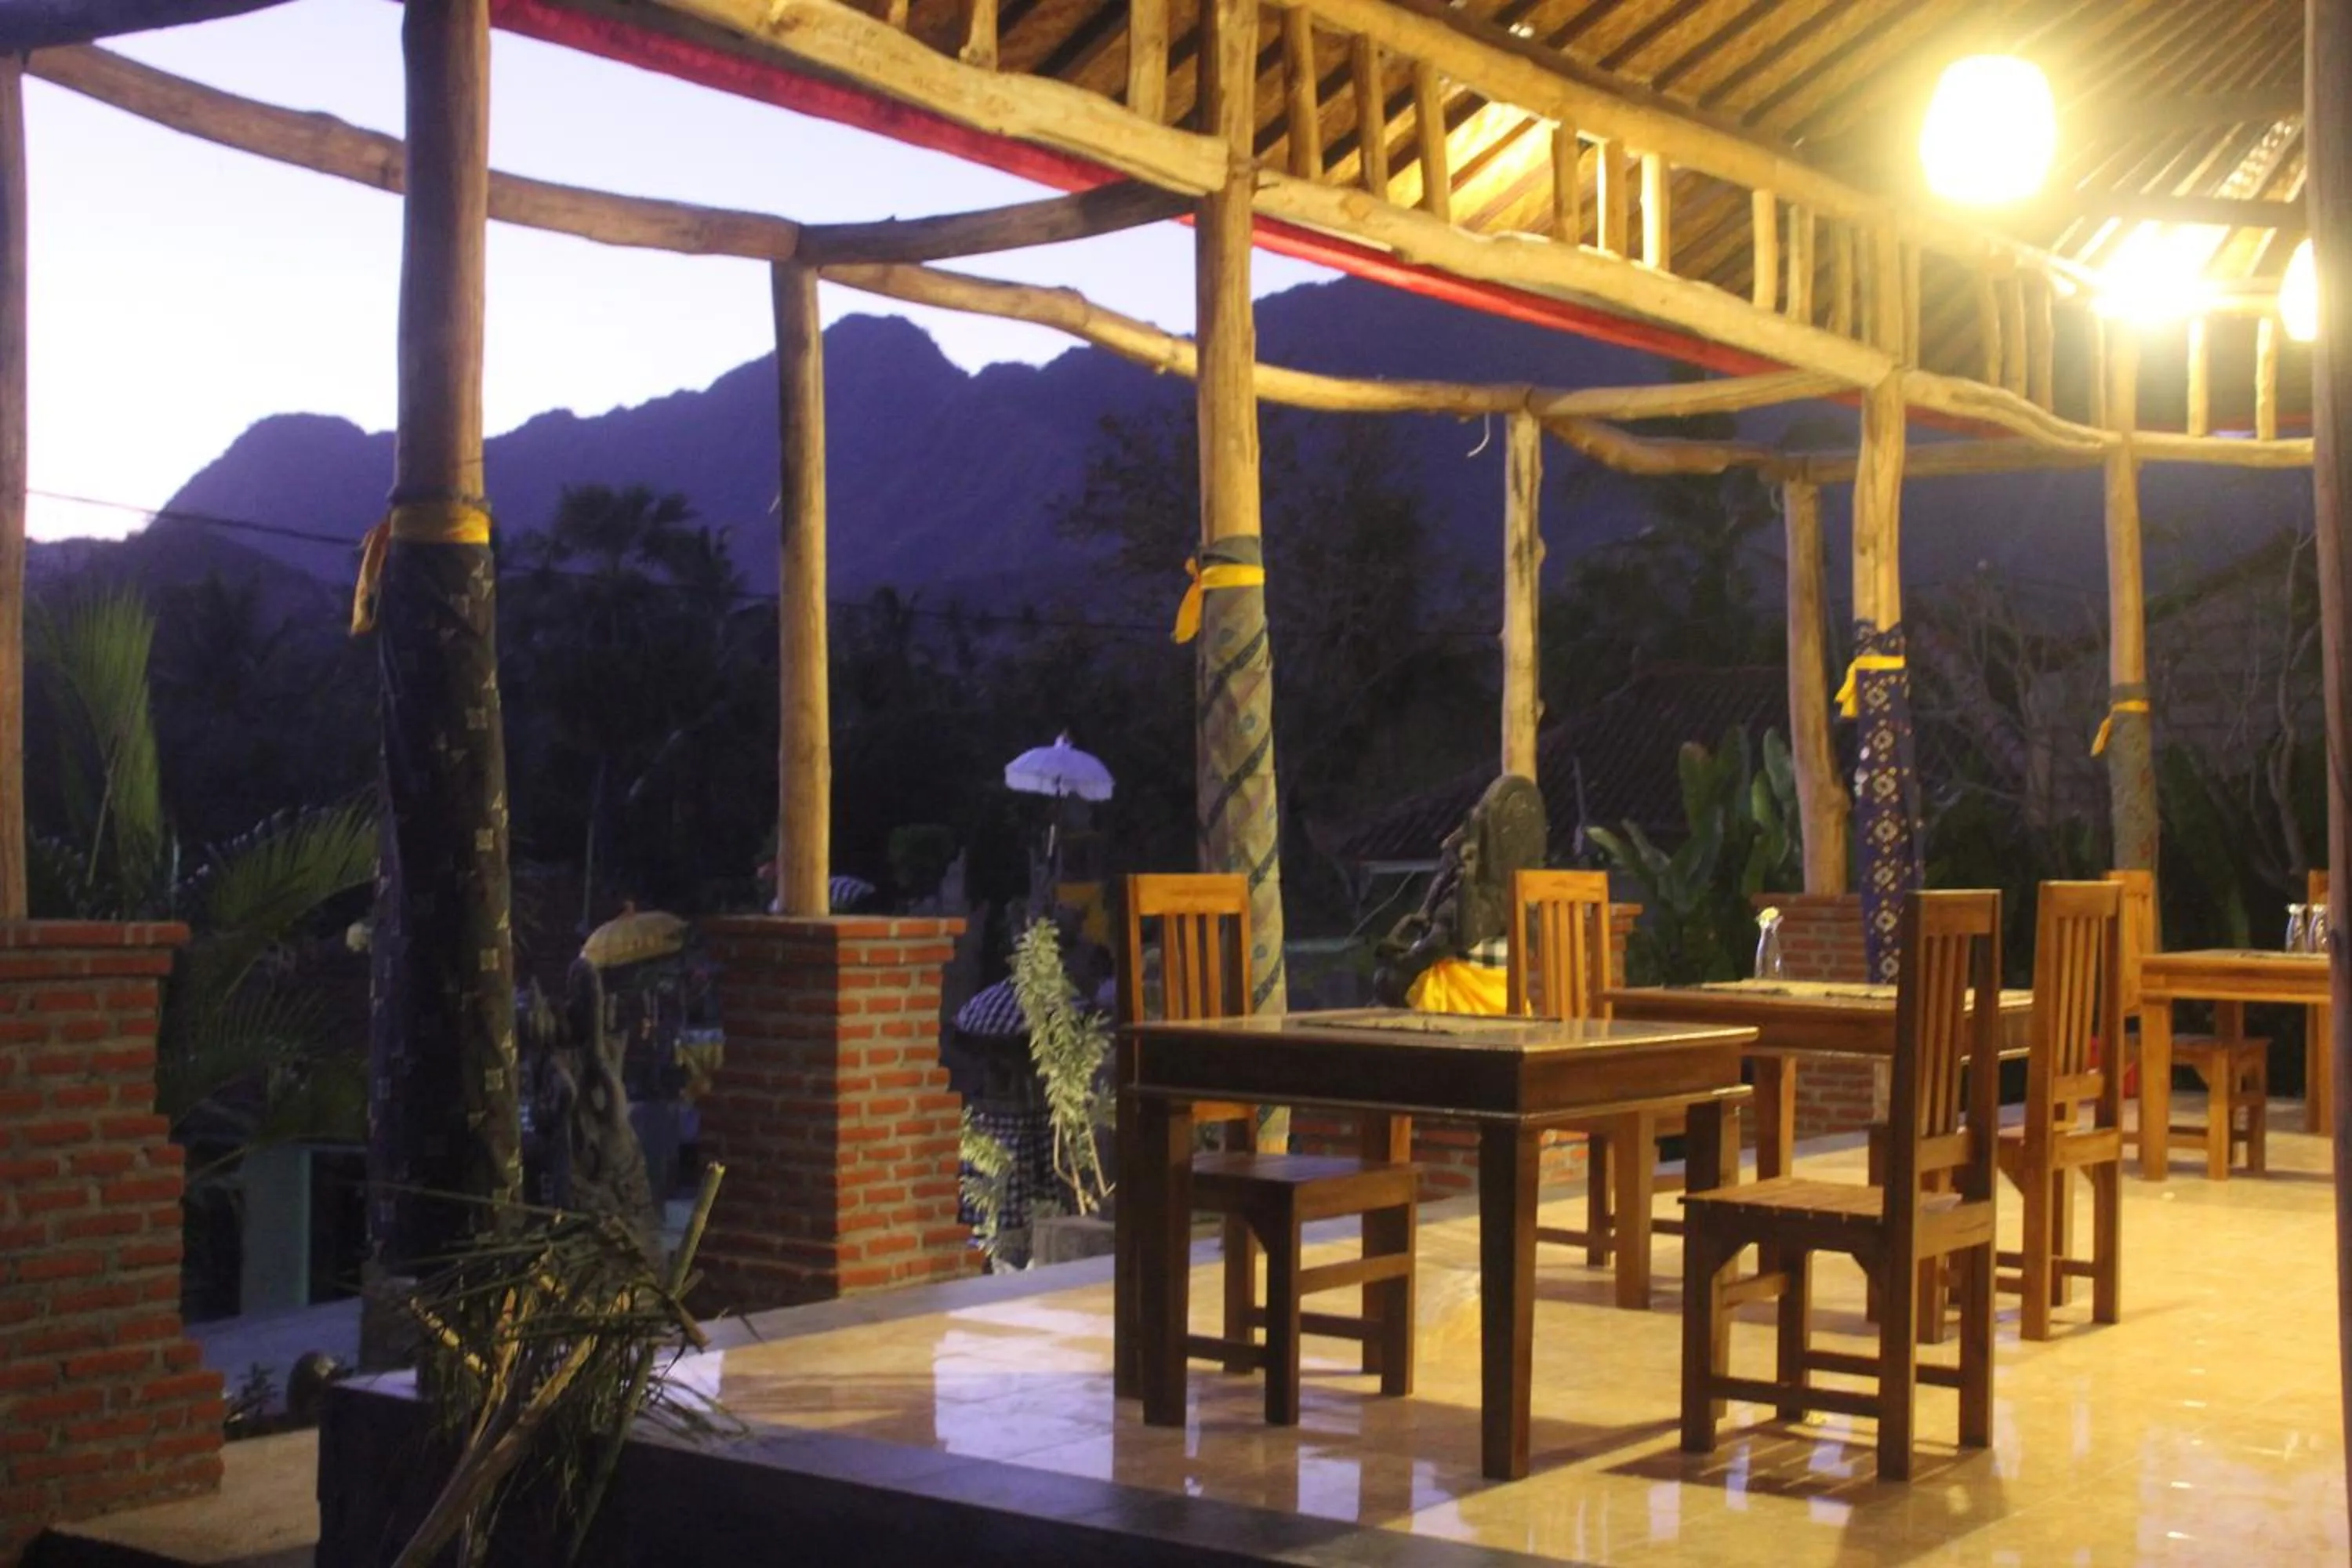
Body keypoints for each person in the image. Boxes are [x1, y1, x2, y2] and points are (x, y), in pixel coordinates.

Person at [1372, 774, 1547, 1014]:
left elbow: (1433, 948)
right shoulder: (1519, 901)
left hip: (1463, 1003)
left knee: (1389, 981)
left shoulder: (1467, 898)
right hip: (1506, 997)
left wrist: (1402, 962)